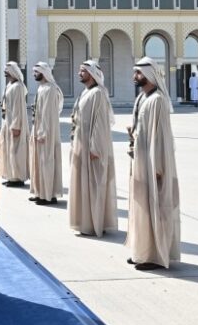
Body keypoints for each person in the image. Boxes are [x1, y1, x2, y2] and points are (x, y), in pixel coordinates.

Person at [125, 57, 181, 271]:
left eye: (138, 73)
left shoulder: (157, 100)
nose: (134, 77)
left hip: (152, 164)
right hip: (140, 160)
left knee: (154, 208)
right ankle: (142, 250)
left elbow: (161, 137)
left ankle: (154, 255)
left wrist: (158, 166)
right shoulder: (143, 98)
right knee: (141, 206)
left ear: (149, 75)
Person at [68, 60, 117, 237]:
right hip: (81, 143)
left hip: (92, 147)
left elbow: (101, 123)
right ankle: (85, 221)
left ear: (92, 73)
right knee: (83, 185)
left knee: (94, 185)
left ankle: (95, 223)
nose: (79, 73)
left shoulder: (98, 93)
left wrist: (95, 148)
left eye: (83, 71)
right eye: (79, 70)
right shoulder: (85, 92)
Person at [28, 62, 63, 206]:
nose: (34, 74)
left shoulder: (50, 89)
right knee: (39, 163)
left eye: (36, 72)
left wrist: (43, 132)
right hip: (39, 130)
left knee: (47, 162)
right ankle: (40, 192)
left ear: (44, 72)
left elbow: (48, 115)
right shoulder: (42, 88)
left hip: (46, 133)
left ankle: (48, 195)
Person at [0, 61, 29, 187]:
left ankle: (18, 178)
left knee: (16, 151)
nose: (5, 72)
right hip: (8, 121)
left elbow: (18, 108)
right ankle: (11, 176)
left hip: (15, 124)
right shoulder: (10, 85)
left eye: (7, 70)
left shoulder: (18, 86)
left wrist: (16, 126)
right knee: (7, 149)